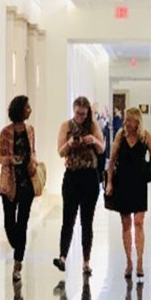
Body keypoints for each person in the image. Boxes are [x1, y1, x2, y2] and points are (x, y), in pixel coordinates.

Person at [105, 107, 151, 283]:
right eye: (126, 120)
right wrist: (109, 183)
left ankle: (140, 260)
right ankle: (129, 261)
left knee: (139, 222)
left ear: (137, 122)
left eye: (129, 120)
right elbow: (111, 161)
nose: (126, 123)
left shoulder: (145, 137)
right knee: (126, 224)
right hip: (122, 184)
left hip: (139, 184)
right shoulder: (120, 136)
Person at [53, 96, 105, 275]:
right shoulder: (66, 126)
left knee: (86, 221)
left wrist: (94, 141)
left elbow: (102, 149)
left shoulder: (93, 126)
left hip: (89, 176)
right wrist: (69, 143)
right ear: (73, 110)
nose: (80, 117)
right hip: (72, 176)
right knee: (68, 218)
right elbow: (60, 152)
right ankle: (62, 256)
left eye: (83, 114)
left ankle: (86, 261)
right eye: (77, 113)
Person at [0, 95, 38, 281]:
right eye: (27, 107)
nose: (30, 110)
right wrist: (10, 160)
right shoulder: (6, 132)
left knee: (23, 223)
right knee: (9, 224)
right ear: (19, 110)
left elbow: (33, 152)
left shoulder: (30, 130)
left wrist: (33, 162)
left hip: (26, 183)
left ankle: (17, 264)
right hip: (10, 183)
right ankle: (17, 245)